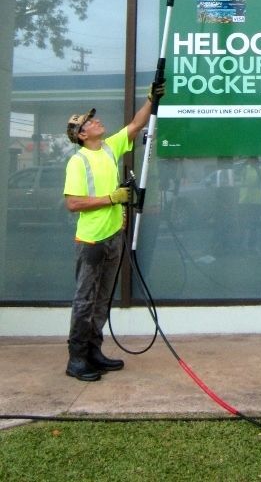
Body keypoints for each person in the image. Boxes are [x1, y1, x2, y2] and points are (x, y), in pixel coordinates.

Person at [63, 82, 164, 381]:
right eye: (89, 122)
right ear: (82, 134)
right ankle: (77, 358)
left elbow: (135, 124)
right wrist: (111, 199)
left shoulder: (109, 148)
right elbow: (73, 203)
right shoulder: (78, 161)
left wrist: (150, 100)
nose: (96, 121)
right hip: (91, 240)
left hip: (112, 238)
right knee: (85, 299)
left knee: (103, 297)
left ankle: (94, 350)